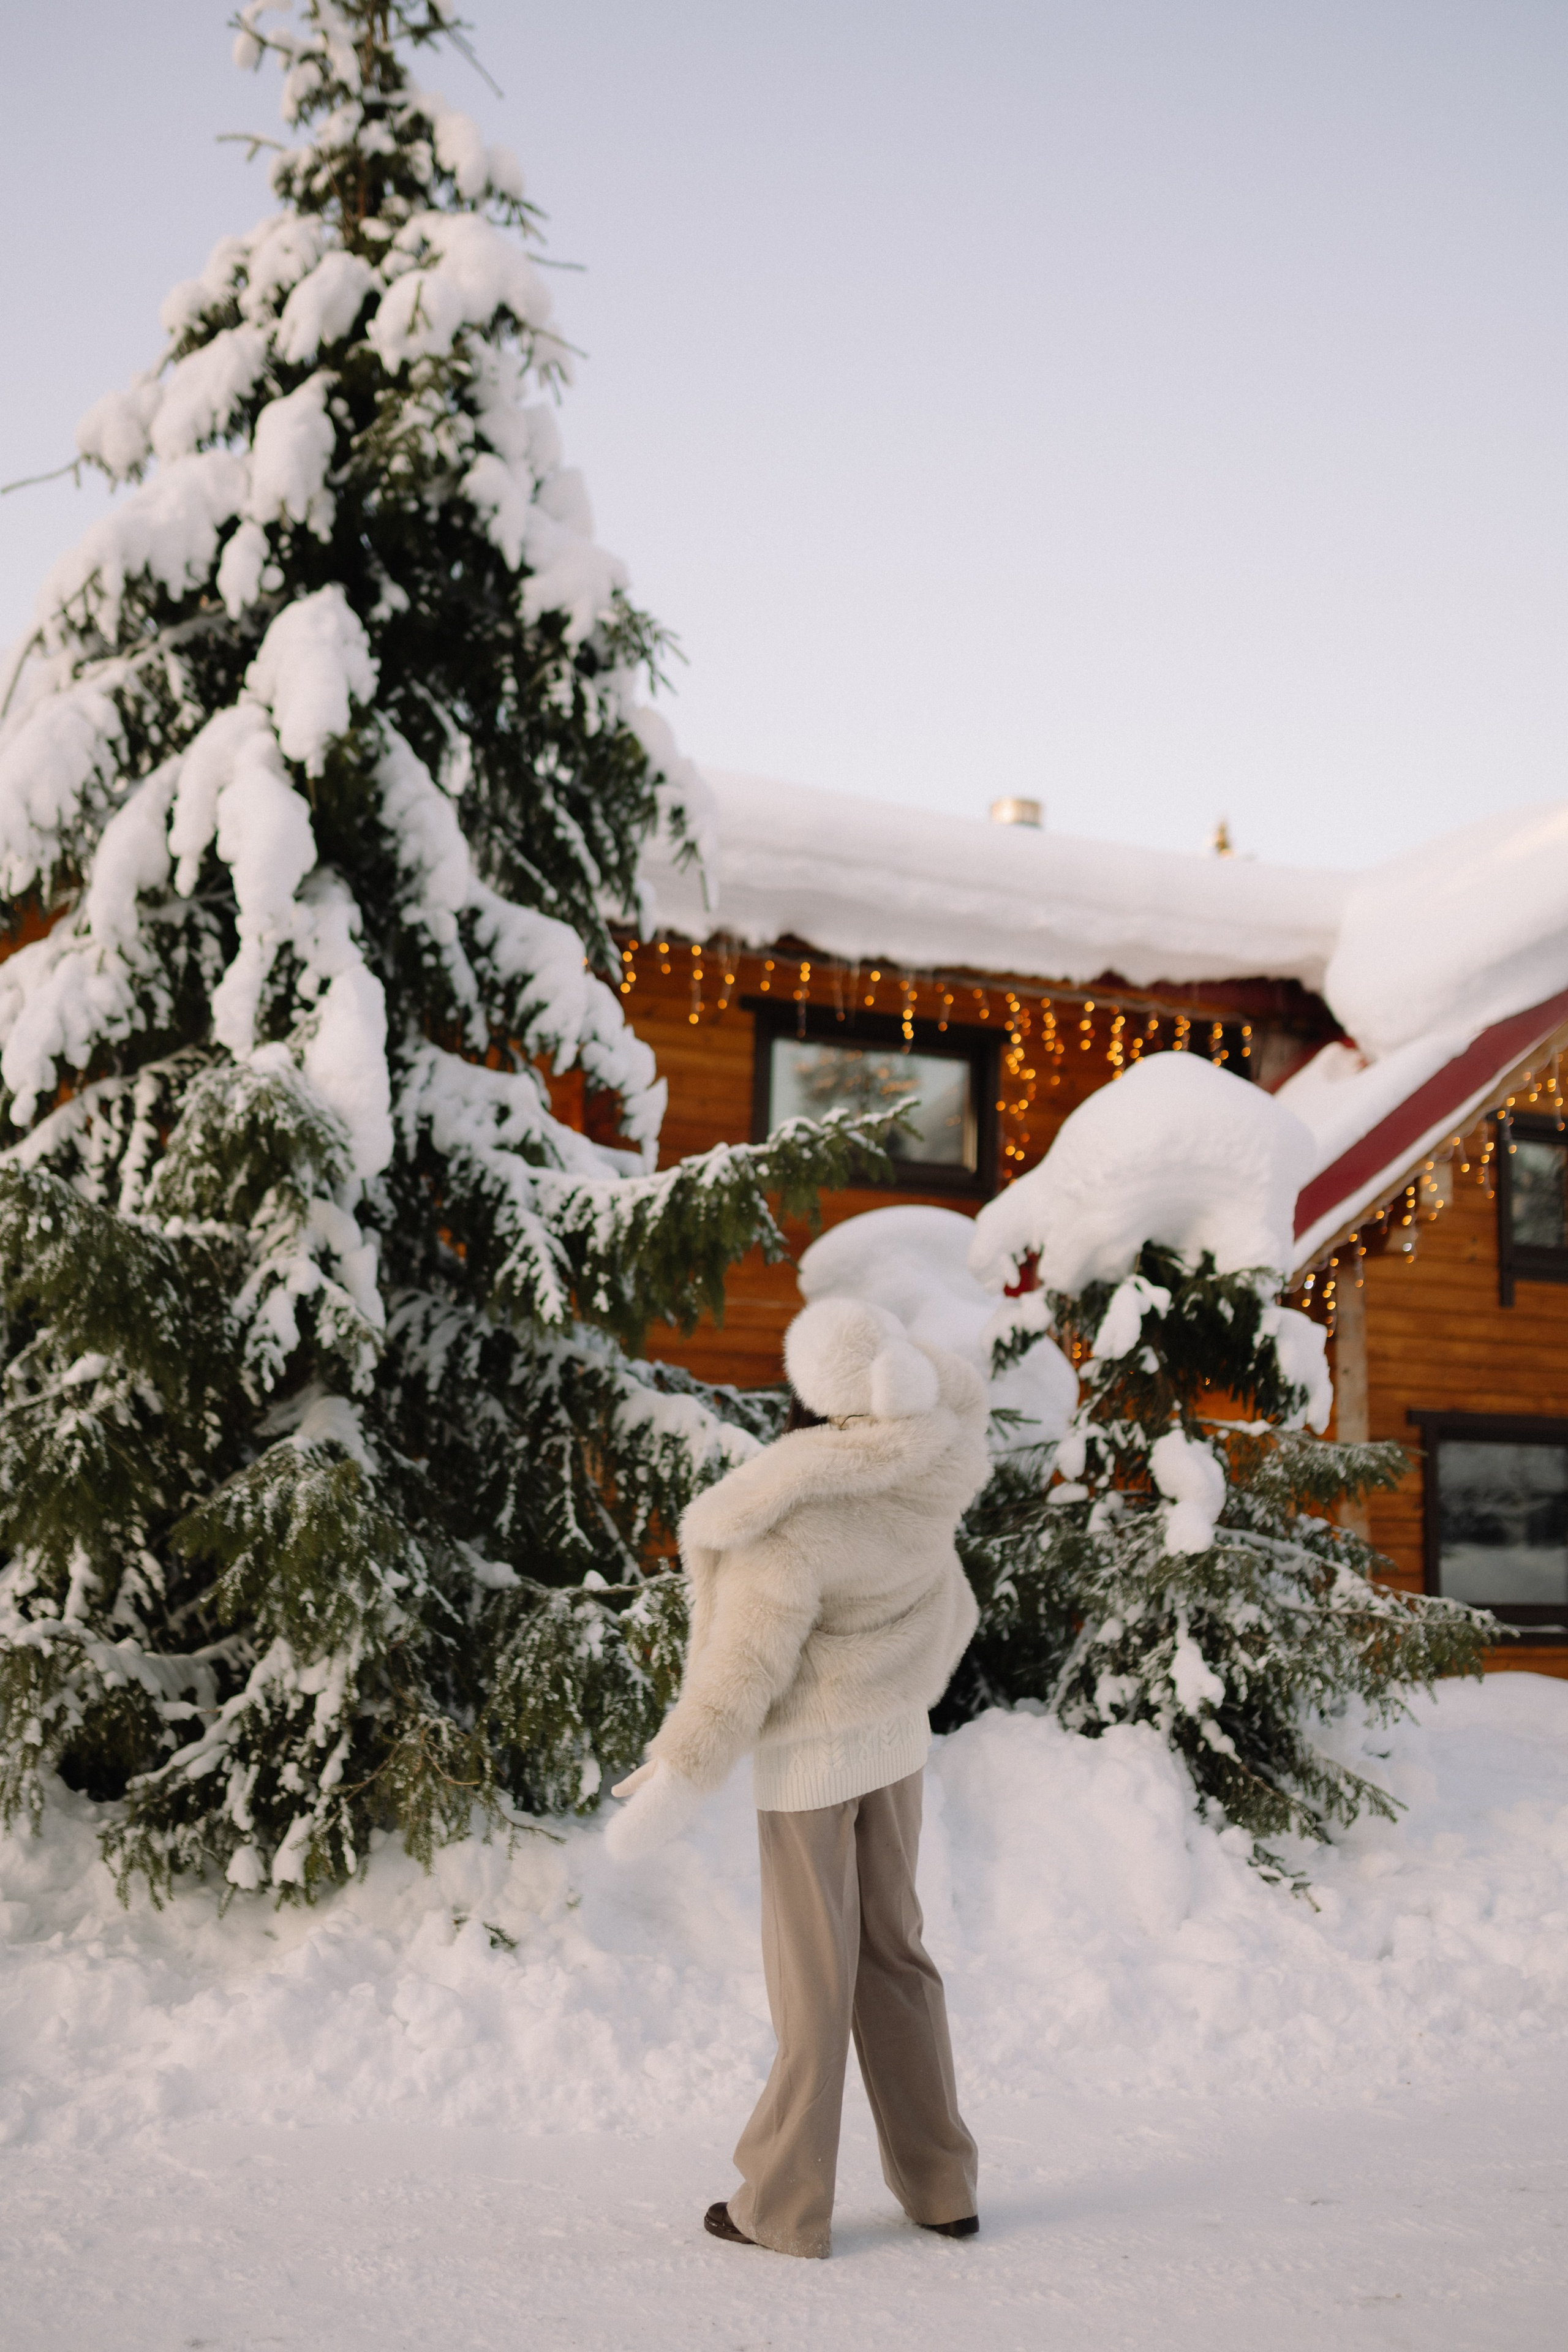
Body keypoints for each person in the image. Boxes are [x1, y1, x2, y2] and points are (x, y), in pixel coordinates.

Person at [605, 1295, 990, 2260]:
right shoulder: (934, 1463)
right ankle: (943, 2185)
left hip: (812, 1765)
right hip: (895, 1745)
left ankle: (781, 2207)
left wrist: (676, 1766)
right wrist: (917, 1370)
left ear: (811, 1388)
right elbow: (964, 1390)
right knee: (898, 1959)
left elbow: (743, 1670)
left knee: (813, 1985)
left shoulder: (787, 1513)